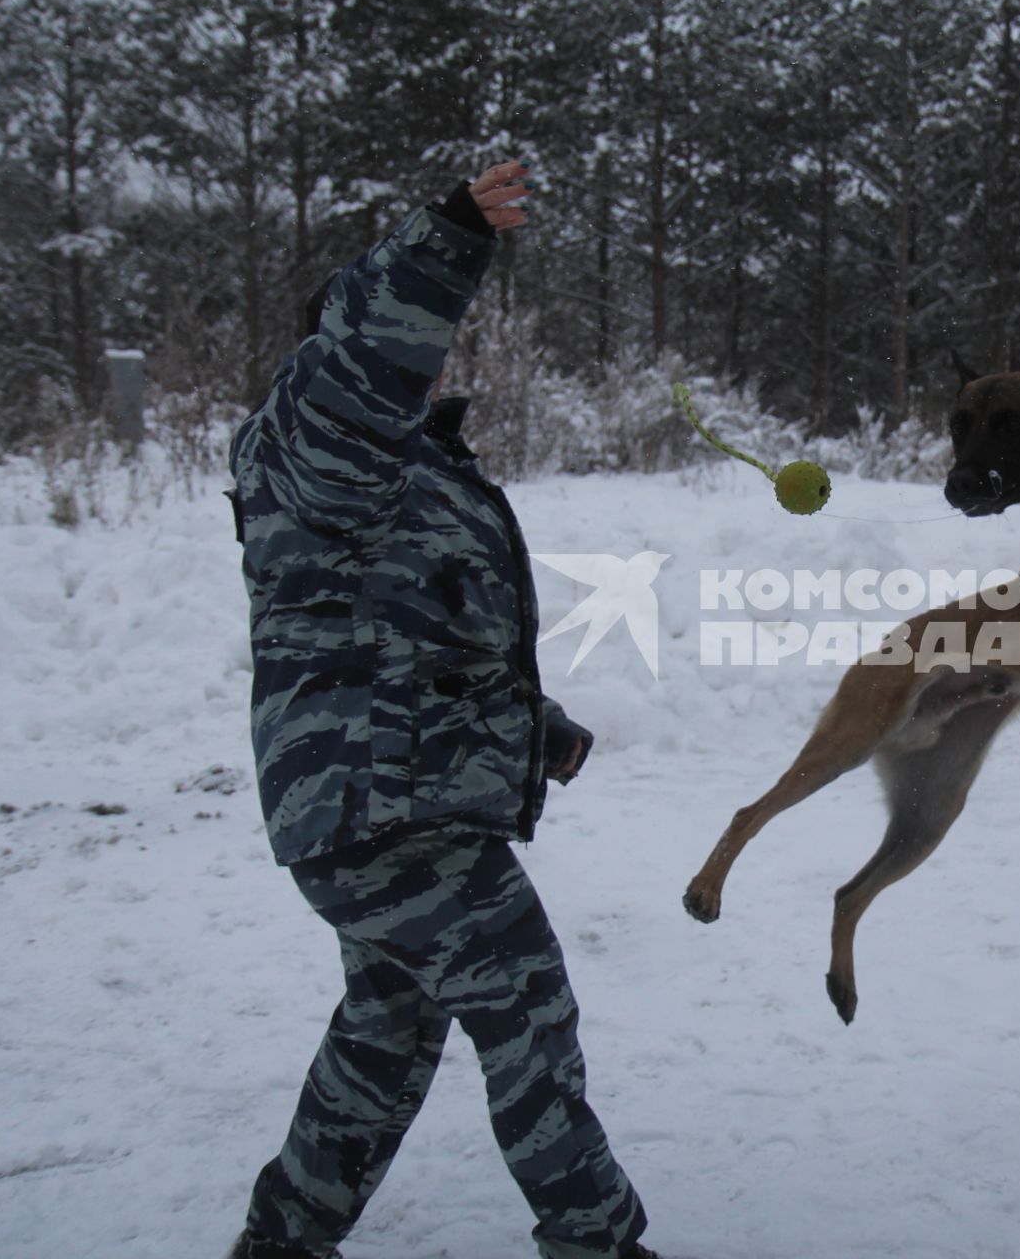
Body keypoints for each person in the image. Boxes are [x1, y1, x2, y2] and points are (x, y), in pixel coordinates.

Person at [225, 161, 656, 1259]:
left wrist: (533, 719)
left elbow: (421, 630)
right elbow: (368, 361)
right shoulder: (310, 439)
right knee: (522, 992)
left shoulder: (402, 471)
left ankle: (284, 1237)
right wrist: (450, 236)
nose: (423, 360)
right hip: (373, 805)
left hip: (394, 796)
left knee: (390, 1023)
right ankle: (599, 1241)